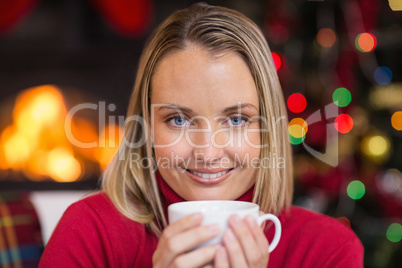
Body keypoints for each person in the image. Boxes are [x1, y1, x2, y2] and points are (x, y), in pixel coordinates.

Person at [39, 2, 364, 267]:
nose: (207, 153)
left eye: (236, 119)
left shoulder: (328, 251)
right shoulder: (92, 233)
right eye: (178, 119)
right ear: (146, 128)